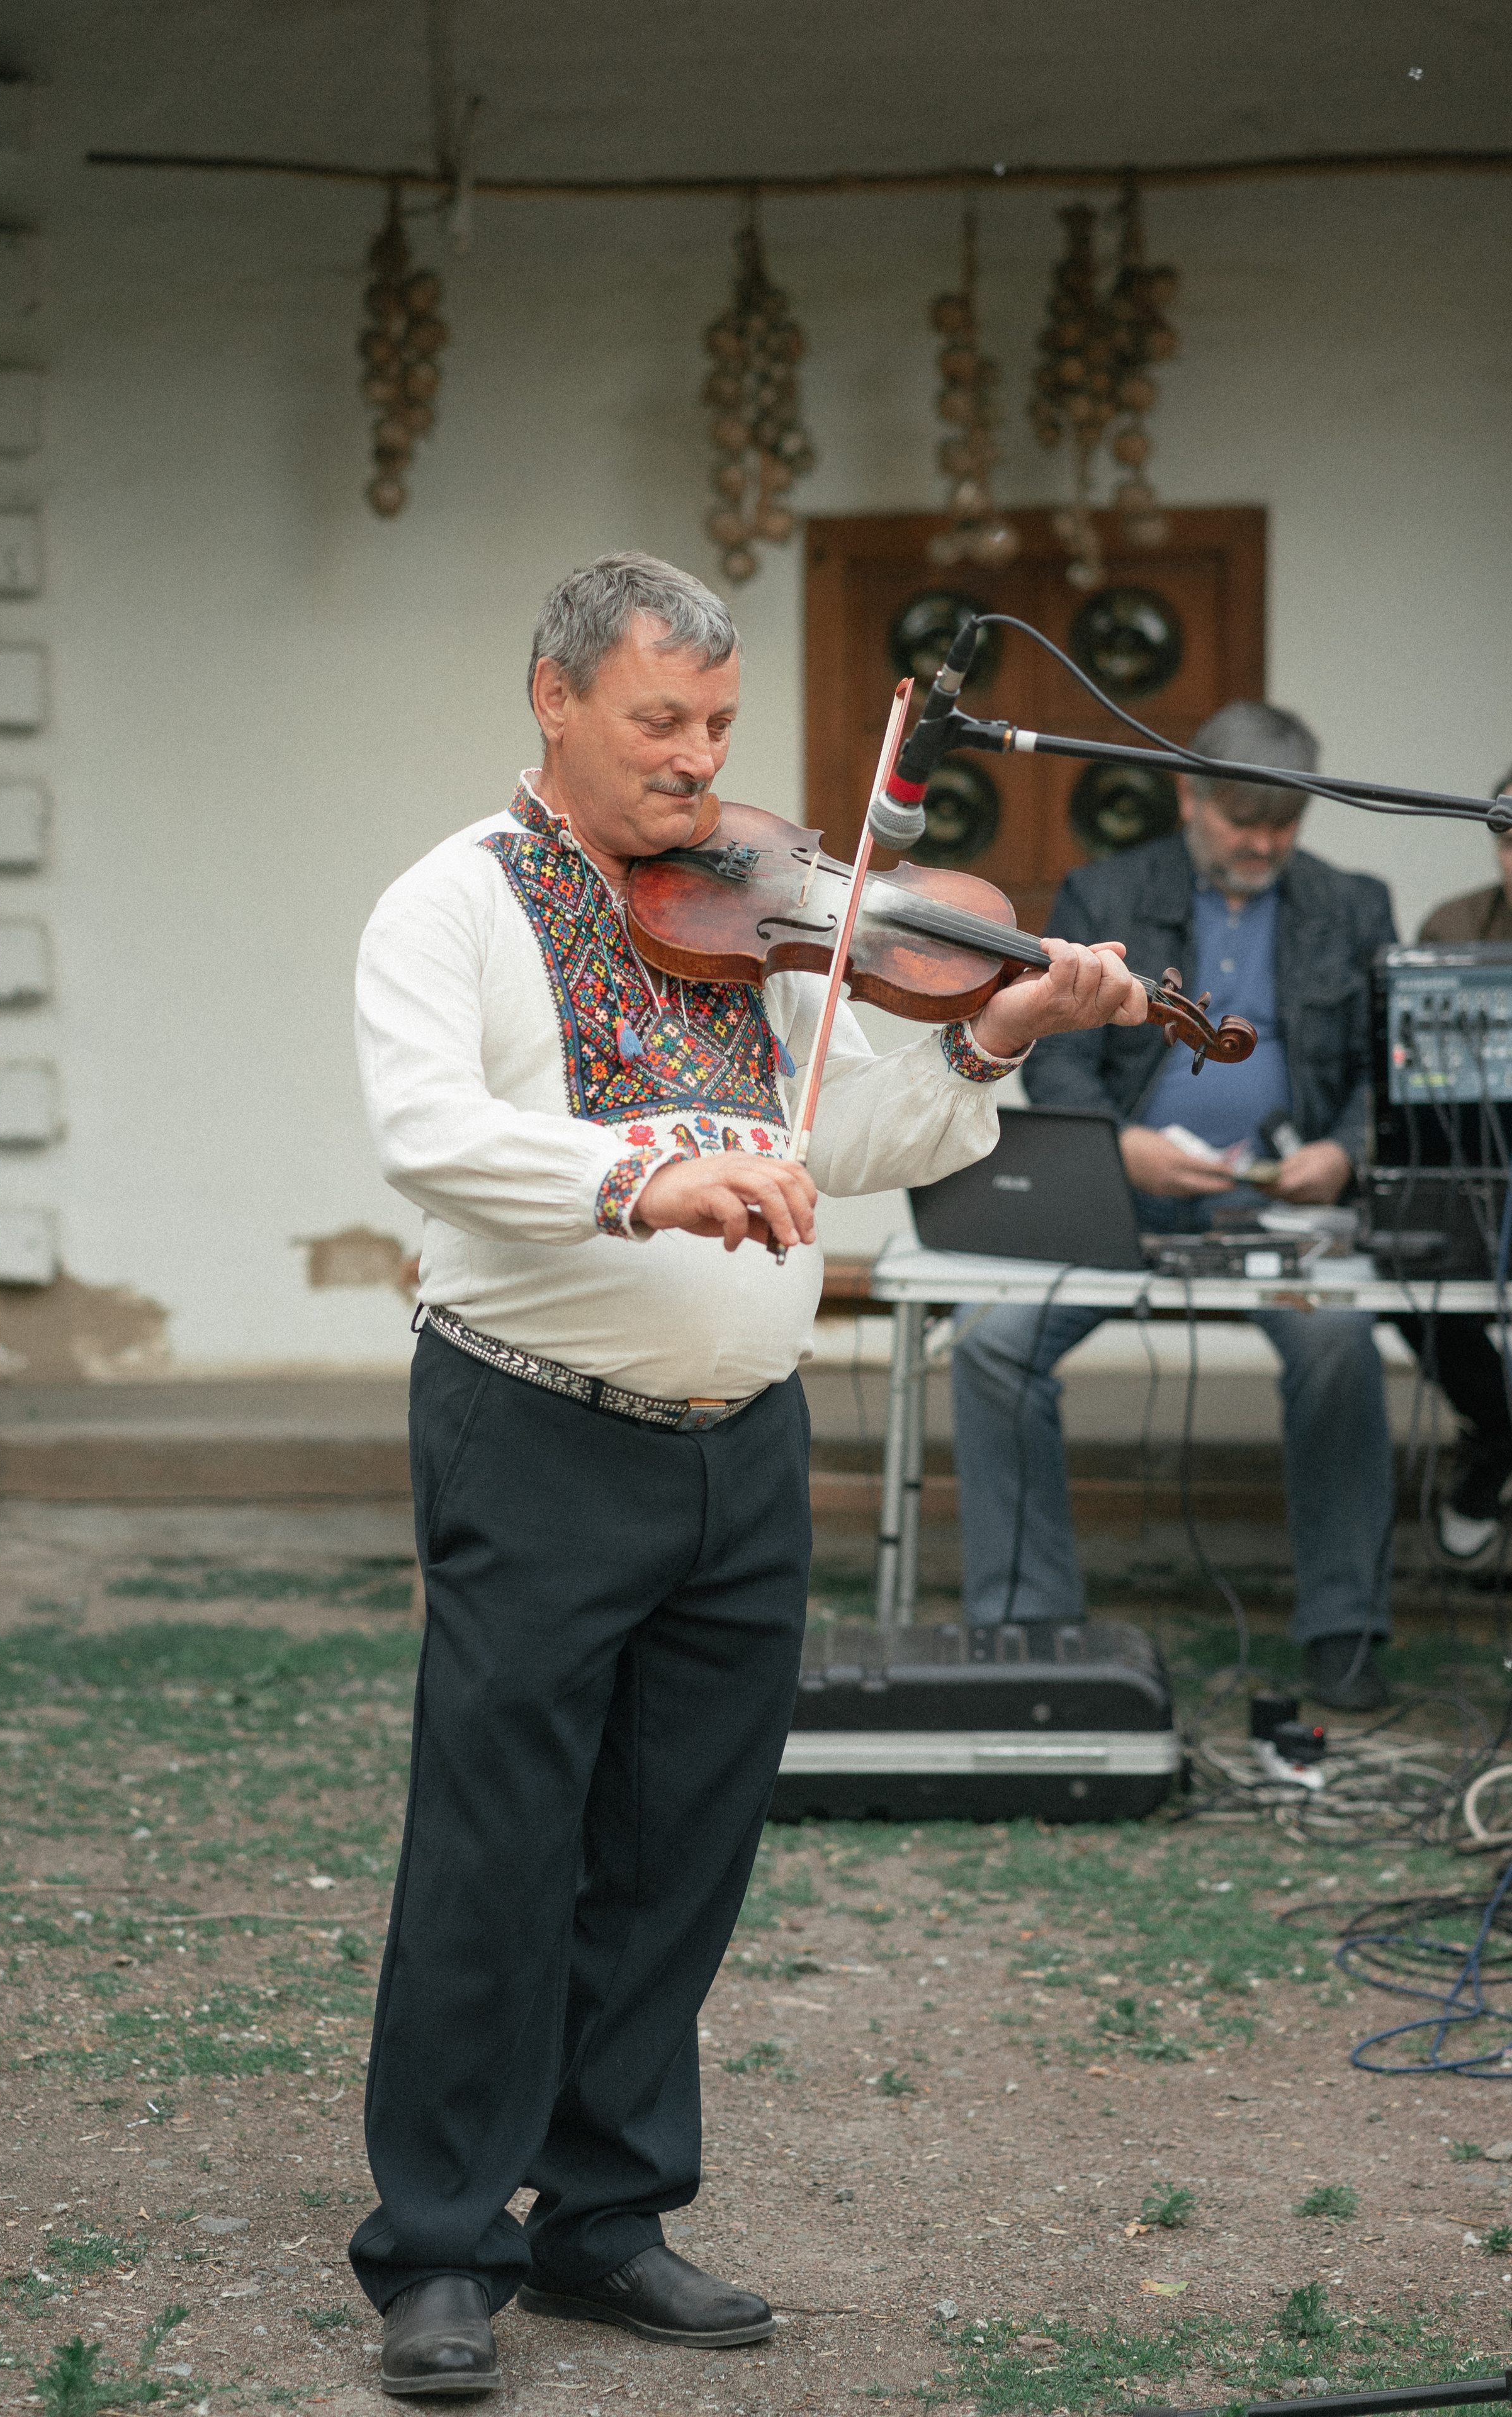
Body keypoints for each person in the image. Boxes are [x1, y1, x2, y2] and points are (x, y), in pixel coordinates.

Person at [350, 553, 1149, 2396]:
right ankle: (444, 2245)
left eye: (714, 723)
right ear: (552, 701)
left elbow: (842, 1126)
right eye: (658, 722)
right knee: (500, 1846)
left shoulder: (758, 900)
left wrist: (989, 1037)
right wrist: (640, 1176)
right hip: (535, 1418)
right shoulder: (452, 905)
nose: (696, 760)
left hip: (744, 1440)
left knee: (680, 1846)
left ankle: (607, 2215)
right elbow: (428, 1130)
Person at [952, 700, 1398, 1712]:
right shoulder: (1105, 888)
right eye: (1244, 818)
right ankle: (1029, 1627)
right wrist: (1121, 1151)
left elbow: (1387, 1069)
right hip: (1125, 1210)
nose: (1264, 842)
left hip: (1281, 1220)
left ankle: (1344, 1633)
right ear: (1190, 796)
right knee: (991, 1347)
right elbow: (1051, 1061)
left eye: (1284, 823)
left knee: (1340, 1348)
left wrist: (1342, 1152)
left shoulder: (1353, 903)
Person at [1396, 763, 1512, 1561]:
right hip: (1477, 1168)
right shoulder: (1454, 926)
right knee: (1402, 1268)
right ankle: (1498, 1434)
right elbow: (1414, 1077)